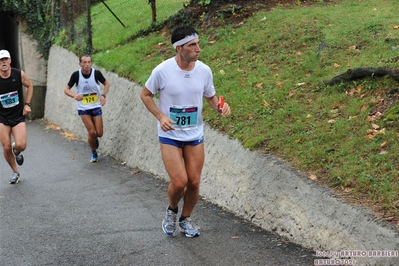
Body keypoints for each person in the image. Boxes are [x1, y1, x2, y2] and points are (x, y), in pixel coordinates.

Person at [140, 26, 231, 237]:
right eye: (192, 45)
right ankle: (172, 210)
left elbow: (209, 96)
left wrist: (219, 106)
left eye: (198, 44)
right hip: (170, 134)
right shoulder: (162, 71)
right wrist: (161, 116)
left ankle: (185, 218)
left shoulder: (204, 71)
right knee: (179, 182)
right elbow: (145, 95)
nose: (198, 49)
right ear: (179, 48)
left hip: (194, 133)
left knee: (194, 181)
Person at [64, 54, 110, 163]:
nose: (87, 65)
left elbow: (106, 83)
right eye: (84, 62)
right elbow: (66, 89)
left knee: (99, 133)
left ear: (91, 63)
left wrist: (103, 95)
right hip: (83, 107)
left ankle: (94, 139)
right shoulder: (76, 75)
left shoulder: (96, 73)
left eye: (89, 62)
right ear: (80, 64)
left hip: (96, 106)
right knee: (92, 131)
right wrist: (74, 95)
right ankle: (93, 152)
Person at [0, 49, 34, 184]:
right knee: (6, 147)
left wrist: (27, 104)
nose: (3, 62)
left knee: (21, 145)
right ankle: (15, 172)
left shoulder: (18, 74)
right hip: (2, 118)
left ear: (9, 61)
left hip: (18, 115)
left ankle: (17, 150)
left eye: (5, 59)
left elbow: (30, 86)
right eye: (0, 60)